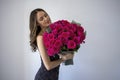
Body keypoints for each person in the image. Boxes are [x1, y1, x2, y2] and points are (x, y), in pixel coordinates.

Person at [29, 8, 74, 80]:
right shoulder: (40, 37)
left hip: (54, 76)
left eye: (46, 15)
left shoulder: (52, 31)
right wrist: (64, 58)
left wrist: (68, 49)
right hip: (44, 77)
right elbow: (48, 66)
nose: (46, 18)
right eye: (41, 19)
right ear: (37, 23)